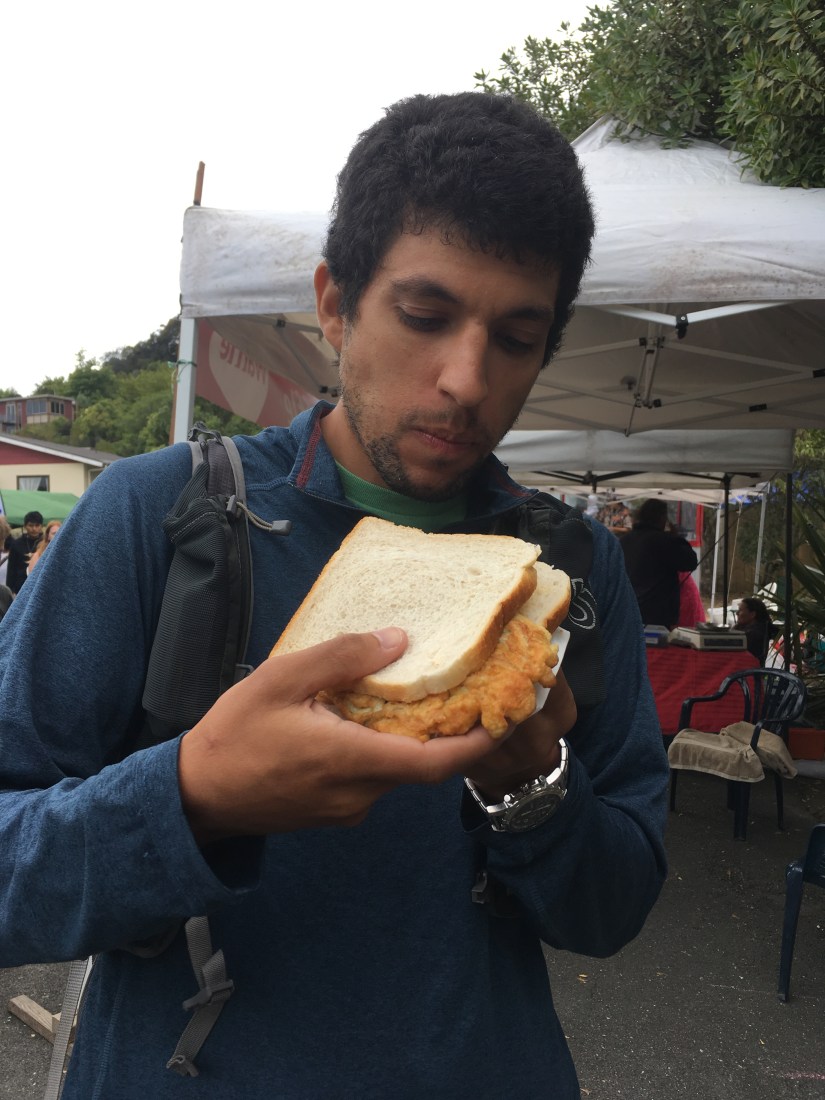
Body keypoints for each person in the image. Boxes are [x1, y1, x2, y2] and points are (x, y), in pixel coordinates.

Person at [0, 92, 668, 1099]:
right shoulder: (159, 515)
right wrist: (193, 793)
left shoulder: (563, 565)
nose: (465, 377)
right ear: (333, 302)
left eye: (518, 338)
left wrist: (530, 784)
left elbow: (611, 909)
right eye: (426, 315)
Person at [620, 498, 699, 629]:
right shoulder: (664, 541)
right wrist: (676, 537)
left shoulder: (623, 541)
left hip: (627, 612)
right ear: (661, 517)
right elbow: (690, 561)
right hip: (657, 616)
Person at [4, 509, 43, 593]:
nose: (34, 529)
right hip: (20, 588)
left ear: (41, 526)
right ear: (25, 526)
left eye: (37, 525)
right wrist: (10, 591)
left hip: (40, 586)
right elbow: (11, 569)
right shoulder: (16, 544)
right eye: (31, 525)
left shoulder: (45, 544)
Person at [736, 596, 775, 664]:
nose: (737, 613)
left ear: (752, 614)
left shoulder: (752, 635)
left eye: (740, 610)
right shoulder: (760, 629)